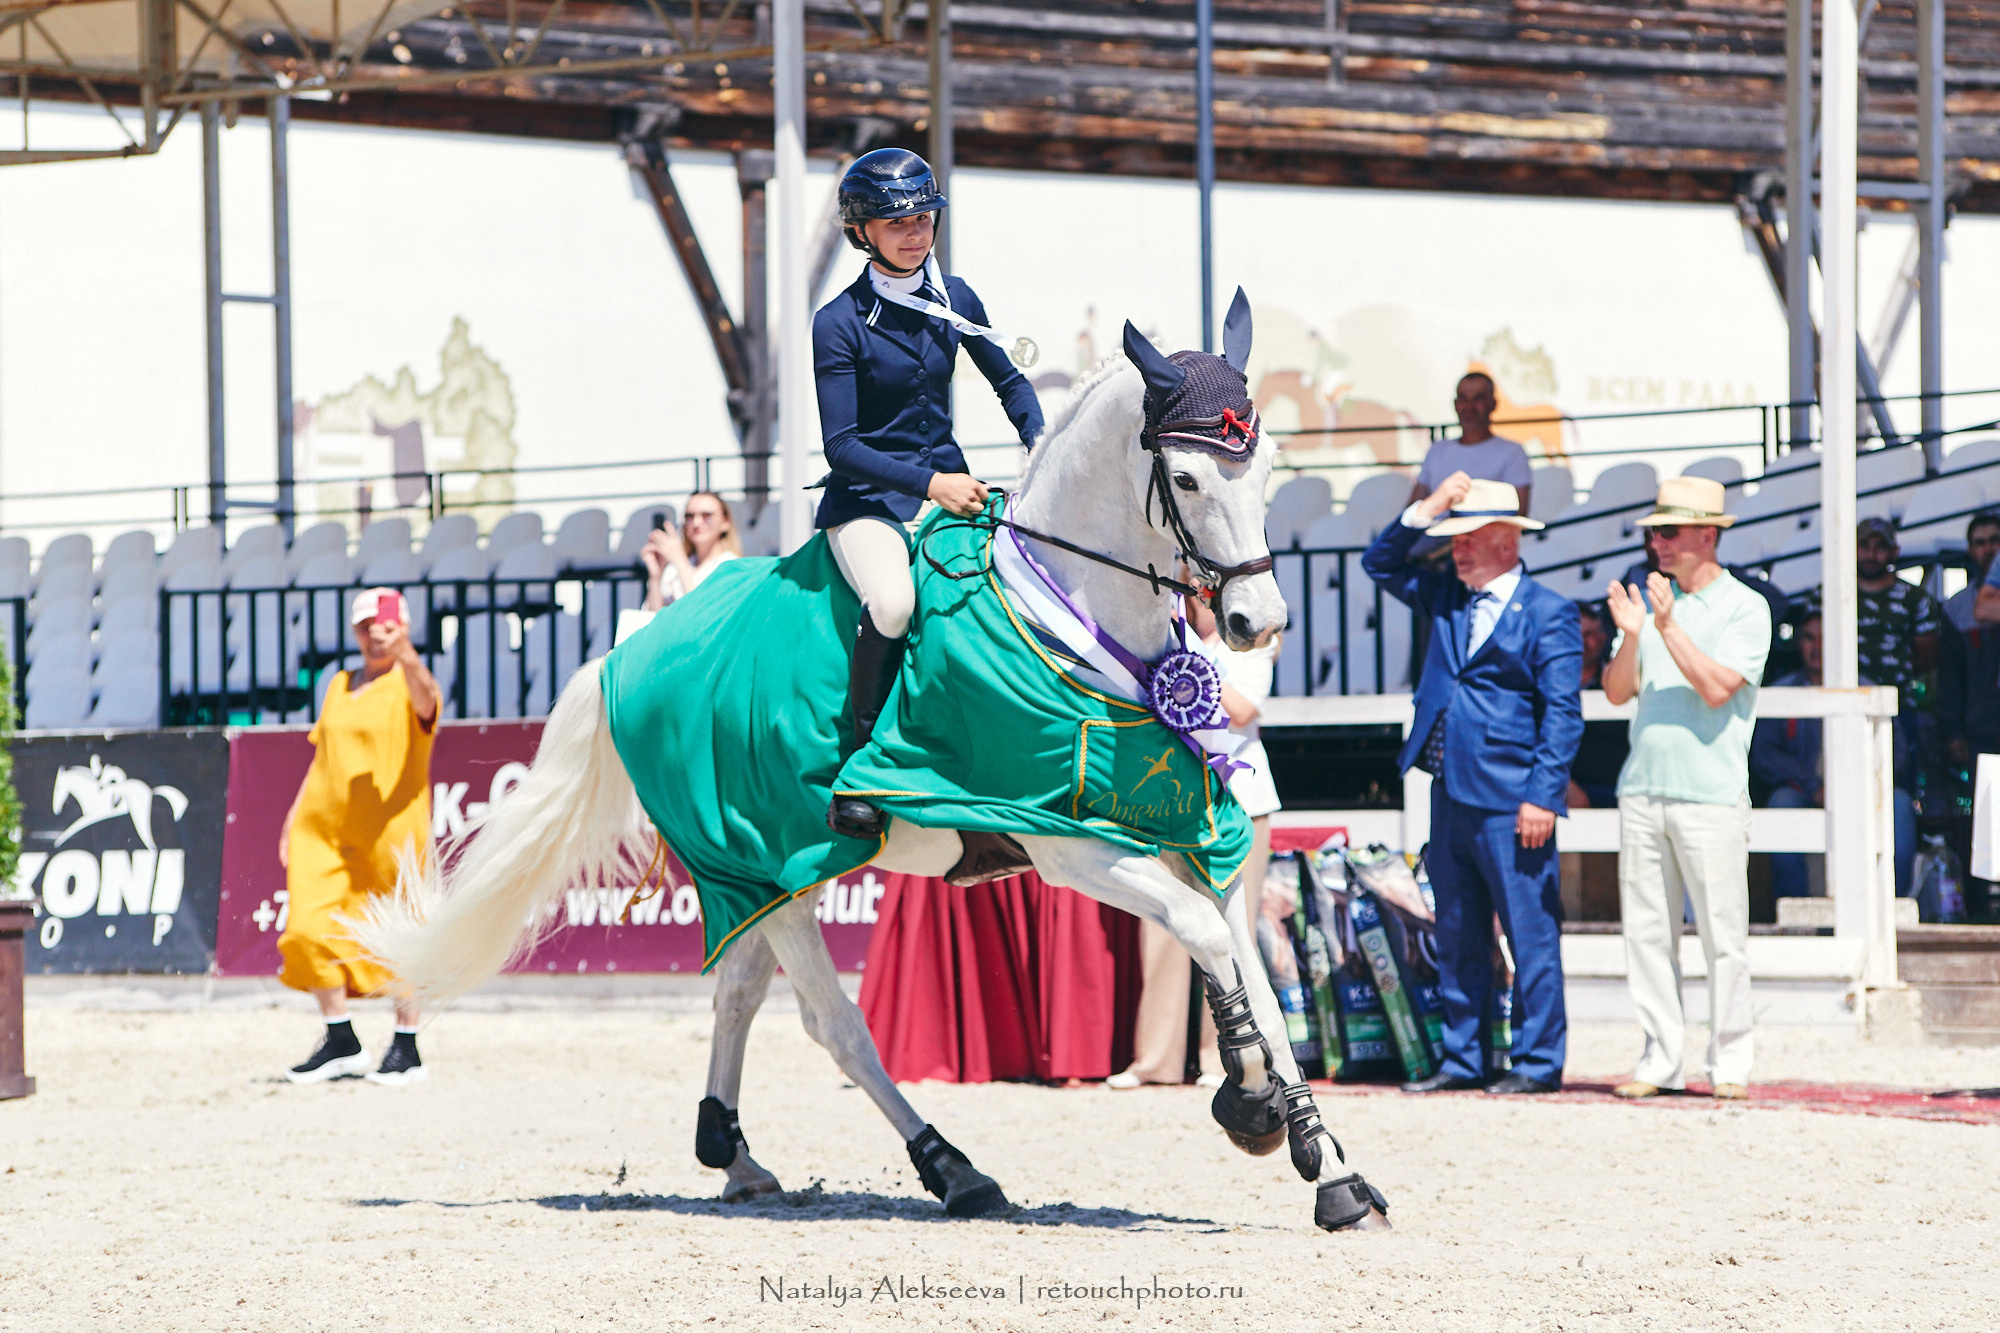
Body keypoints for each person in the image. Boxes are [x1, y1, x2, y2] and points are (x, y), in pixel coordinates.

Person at [813, 148, 1044, 851]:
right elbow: (842, 445)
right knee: (895, 604)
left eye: (923, 218)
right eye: (897, 222)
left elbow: (1011, 384)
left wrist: (1041, 442)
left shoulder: (956, 297)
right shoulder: (838, 320)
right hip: (869, 502)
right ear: (863, 232)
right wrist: (930, 485)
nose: (915, 233)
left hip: (951, 485)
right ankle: (861, 770)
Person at [1363, 472, 1583, 1095]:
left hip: (1514, 799)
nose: (1456, 548)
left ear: (1508, 540)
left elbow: (1563, 713)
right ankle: (1465, 1058)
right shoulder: (1448, 597)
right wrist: (1426, 509)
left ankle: (1537, 1062)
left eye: (1469, 537)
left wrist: (1543, 794)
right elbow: (1378, 562)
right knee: (1458, 933)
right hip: (1451, 791)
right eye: (1453, 538)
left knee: (1529, 934)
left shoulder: (1549, 612)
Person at [1603, 476, 1770, 1101]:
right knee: (1647, 934)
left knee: (1724, 937)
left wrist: (1666, 627)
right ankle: (1660, 1058)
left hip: (1711, 792)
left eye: (1669, 531)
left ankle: (1730, 1063)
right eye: (1653, 532)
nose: (1657, 542)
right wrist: (1633, 633)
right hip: (1644, 787)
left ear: (1708, 534)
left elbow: (1717, 687)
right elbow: (1618, 691)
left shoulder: (1746, 607)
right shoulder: (1655, 607)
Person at [1108, 594, 1282, 1090]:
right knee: (1162, 928)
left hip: (1240, 802)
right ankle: (1155, 1059)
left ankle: (1223, 1059)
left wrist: (1189, 668)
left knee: (1233, 934)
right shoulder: (1163, 644)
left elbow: (1243, 710)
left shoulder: (1253, 645)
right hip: (1173, 802)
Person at [277, 588, 441, 1086]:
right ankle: (340, 1038)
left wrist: (408, 654)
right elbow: (321, 755)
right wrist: (291, 816)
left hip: (390, 832)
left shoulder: (408, 680)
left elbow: (429, 703)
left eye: (384, 625)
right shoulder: (339, 683)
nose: (374, 634)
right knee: (306, 929)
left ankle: (407, 1048)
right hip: (323, 829)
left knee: (402, 937)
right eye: (365, 626)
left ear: (403, 629)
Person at [1751, 608, 1917, 898]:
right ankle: (1797, 911)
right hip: (1803, 790)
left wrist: (1853, 786)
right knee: (1781, 803)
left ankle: (1892, 906)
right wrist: (1814, 787)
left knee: (1900, 804)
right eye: (1808, 638)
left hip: (1861, 789)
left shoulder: (1867, 689)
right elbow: (1764, 753)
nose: (1817, 647)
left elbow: (1896, 752)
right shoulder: (1781, 691)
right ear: (1798, 644)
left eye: (1825, 638)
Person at [1408, 373, 1532, 516]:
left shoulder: (1513, 453)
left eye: (1478, 398)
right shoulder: (1437, 450)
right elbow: (1413, 508)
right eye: (1463, 398)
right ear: (1455, 404)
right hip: (1432, 536)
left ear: (1493, 404)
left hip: (1483, 538)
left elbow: (1519, 513)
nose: (1469, 406)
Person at [1855, 517, 1941, 707]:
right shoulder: (1828, 595)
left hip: (1899, 705)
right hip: (1844, 701)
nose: (1871, 554)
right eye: (1864, 546)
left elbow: (1927, 657)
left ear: (1895, 551)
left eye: (1881, 547)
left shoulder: (1916, 598)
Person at [1567, 600, 1629, 811]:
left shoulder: (1621, 678)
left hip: (1621, 789)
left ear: (1603, 637)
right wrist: (1565, 785)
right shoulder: (1547, 683)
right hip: (1565, 792)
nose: (1584, 643)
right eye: (1576, 635)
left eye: (1590, 634)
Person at [640, 491, 741, 611]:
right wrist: (655, 576)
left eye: (706, 515)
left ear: (725, 522)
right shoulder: (673, 568)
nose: (696, 523)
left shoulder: (731, 566)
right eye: (690, 516)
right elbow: (652, 617)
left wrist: (681, 562)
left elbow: (701, 614)